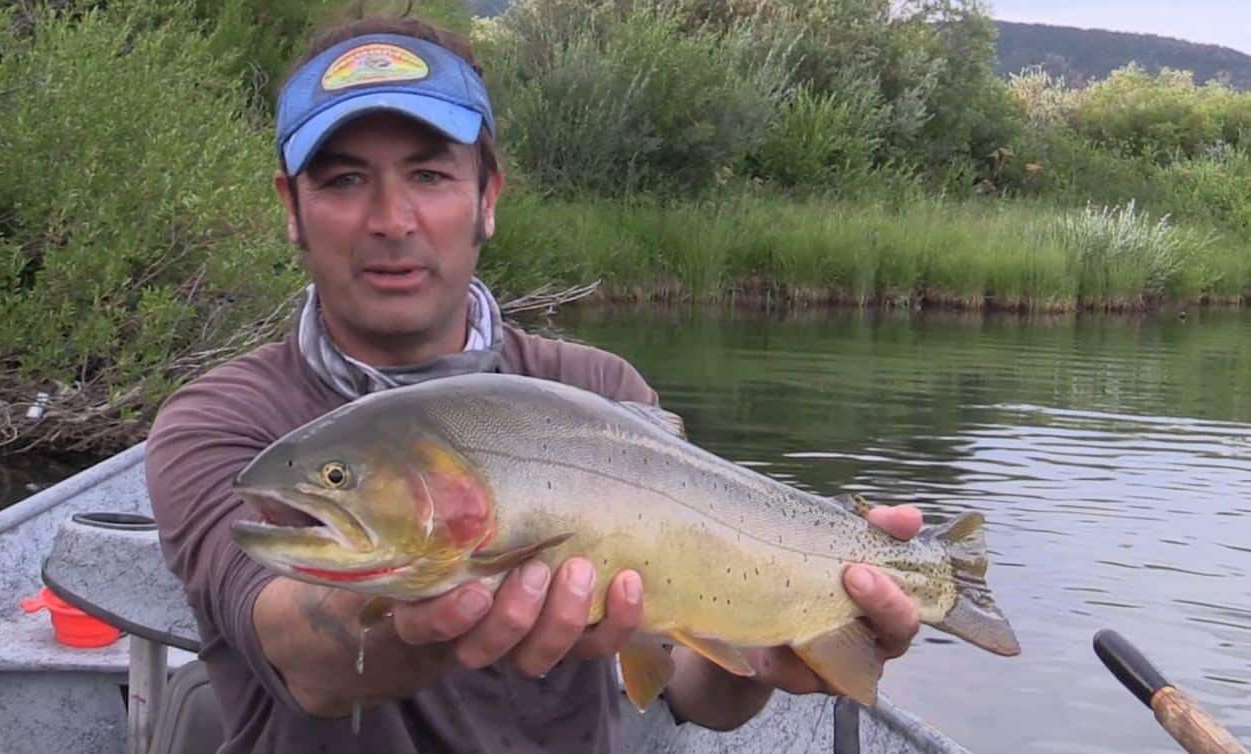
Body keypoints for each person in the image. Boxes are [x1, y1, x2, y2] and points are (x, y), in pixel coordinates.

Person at [144, 11, 924, 754]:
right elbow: (299, 658)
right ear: (292, 208)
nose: (391, 218)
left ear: (487, 198)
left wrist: (770, 656)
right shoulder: (222, 423)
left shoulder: (597, 392)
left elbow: (690, 690)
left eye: (428, 174)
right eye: (345, 180)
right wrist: (438, 597)